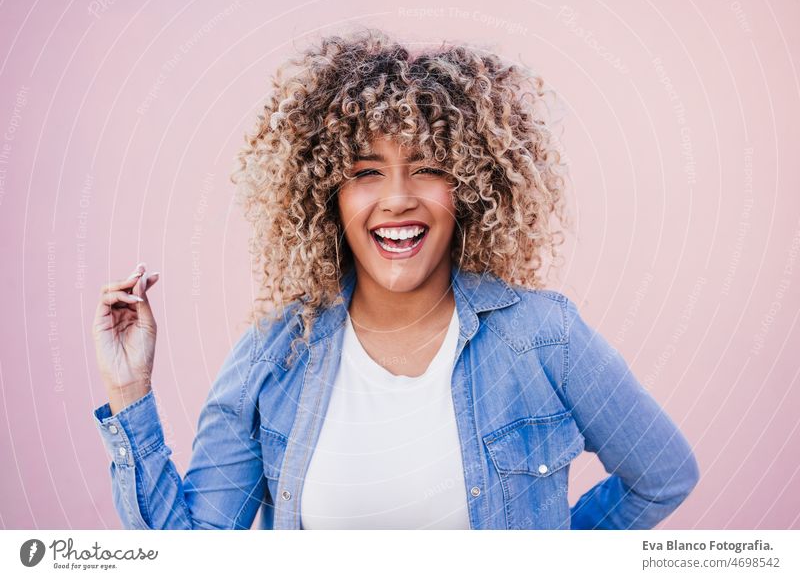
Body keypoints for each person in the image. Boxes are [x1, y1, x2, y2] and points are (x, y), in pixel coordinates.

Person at [91, 28, 699, 530]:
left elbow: (662, 475)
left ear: (471, 187)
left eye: (428, 168)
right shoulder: (273, 354)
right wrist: (129, 391)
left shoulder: (544, 337)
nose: (398, 199)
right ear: (326, 192)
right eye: (367, 172)